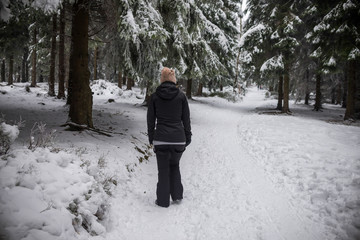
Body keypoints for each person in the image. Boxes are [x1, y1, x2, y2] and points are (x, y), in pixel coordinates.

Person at [147, 67, 192, 208]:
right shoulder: (181, 96)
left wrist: (151, 138)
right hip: (178, 139)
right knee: (174, 165)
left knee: (163, 170)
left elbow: (150, 120)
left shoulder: (154, 96)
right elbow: (186, 119)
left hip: (160, 139)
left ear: (161, 79)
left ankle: (162, 201)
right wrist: (187, 136)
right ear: (173, 79)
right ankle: (177, 195)